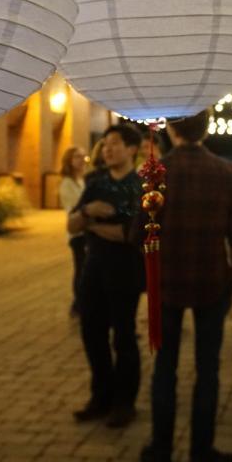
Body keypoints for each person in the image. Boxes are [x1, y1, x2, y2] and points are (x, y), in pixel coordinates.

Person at [138, 111, 232, 462]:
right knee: (208, 371)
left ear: (171, 128)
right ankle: (201, 456)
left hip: (167, 283)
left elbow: (140, 232)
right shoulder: (226, 172)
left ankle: (162, 454)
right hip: (212, 279)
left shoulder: (155, 173)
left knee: (164, 370)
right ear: (206, 128)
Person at [68, 124, 145, 428]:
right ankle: (100, 397)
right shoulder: (95, 183)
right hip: (93, 269)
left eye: (115, 143)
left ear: (132, 149)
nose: (108, 149)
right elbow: (71, 225)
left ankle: (125, 403)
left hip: (125, 271)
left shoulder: (139, 186)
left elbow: (129, 234)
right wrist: (88, 214)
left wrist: (94, 226)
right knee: (92, 333)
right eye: (106, 143)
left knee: (124, 336)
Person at [59, 147, 87, 317]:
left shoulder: (82, 179)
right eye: (77, 156)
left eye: (83, 156)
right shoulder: (67, 183)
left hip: (86, 231)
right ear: (69, 160)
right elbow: (73, 209)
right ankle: (78, 304)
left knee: (83, 268)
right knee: (80, 268)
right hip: (77, 233)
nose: (81, 159)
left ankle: (80, 302)